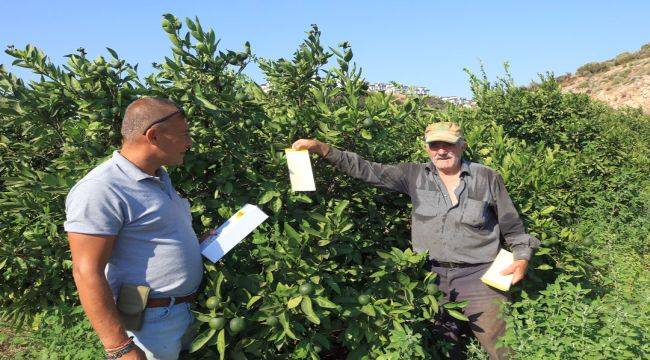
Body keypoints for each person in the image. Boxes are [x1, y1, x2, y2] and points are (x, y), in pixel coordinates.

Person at [292, 122, 539, 359]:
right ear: (426, 148)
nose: (441, 151)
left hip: (480, 278)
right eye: (435, 145)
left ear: (462, 145)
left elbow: (513, 226)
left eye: (449, 144)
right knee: (443, 347)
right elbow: (367, 169)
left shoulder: (486, 177)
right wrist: (322, 148)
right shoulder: (414, 175)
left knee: (503, 347)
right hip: (430, 279)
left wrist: (522, 257)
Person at [65, 97, 207, 360]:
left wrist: (196, 243)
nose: (189, 143)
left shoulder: (159, 176)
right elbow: (86, 271)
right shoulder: (101, 188)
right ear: (154, 136)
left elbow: (152, 238)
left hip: (184, 310)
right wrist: (119, 347)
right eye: (184, 135)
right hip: (149, 321)